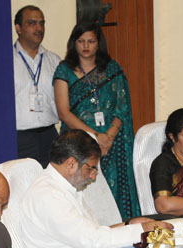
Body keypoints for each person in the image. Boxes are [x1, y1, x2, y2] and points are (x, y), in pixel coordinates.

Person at [20, 130, 172, 248]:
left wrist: (129, 224)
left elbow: (91, 232)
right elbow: (93, 239)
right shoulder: (48, 195)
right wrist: (141, 230)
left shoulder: (66, 187)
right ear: (71, 164)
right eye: (92, 168)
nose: (93, 176)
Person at [53, 22, 139, 220]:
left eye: (91, 41)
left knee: (114, 190)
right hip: (78, 145)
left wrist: (108, 136)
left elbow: (122, 108)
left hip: (111, 145)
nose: (85, 46)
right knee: (86, 195)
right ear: (73, 43)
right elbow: (64, 112)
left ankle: (120, 234)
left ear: (98, 43)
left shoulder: (112, 69)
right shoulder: (64, 70)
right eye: (81, 41)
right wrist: (94, 137)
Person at [14, 5, 61, 168]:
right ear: (18, 28)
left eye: (42, 23)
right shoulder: (7, 61)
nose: (39, 28)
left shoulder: (54, 61)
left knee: (51, 186)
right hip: (20, 138)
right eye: (32, 23)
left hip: (50, 135)